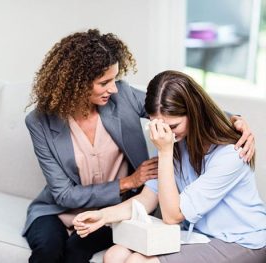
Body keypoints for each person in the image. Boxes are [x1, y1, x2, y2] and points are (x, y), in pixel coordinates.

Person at [24, 29, 255, 263]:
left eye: (114, 79)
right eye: (104, 82)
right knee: (58, 252)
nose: (114, 88)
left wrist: (233, 120)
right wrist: (122, 191)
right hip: (63, 209)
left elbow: (185, 109)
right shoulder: (40, 121)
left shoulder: (133, 107)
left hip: (224, 234)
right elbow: (65, 194)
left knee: (88, 253)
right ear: (77, 85)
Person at [73, 70, 266, 263]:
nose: (167, 134)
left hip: (241, 240)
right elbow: (147, 199)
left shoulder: (230, 154)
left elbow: (173, 216)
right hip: (198, 235)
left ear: (194, 113)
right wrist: (103, 216)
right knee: (115, 255)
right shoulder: (175, 143)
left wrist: (165, 152)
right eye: (159, 126)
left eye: (173, 127)